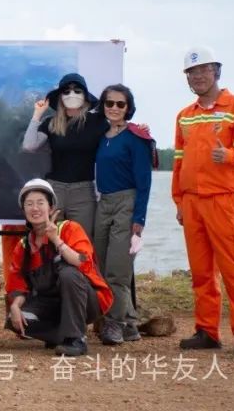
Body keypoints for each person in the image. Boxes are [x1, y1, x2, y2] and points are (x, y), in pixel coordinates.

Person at [173, 47, 234, 355]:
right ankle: (207, 331)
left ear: (216, 71)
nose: (197, 76)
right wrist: (179, 200)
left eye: (203, 70)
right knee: (201, 271)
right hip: (192, 202)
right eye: (191, 72)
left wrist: (230, 155)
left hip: (225, 199)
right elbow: (179, 161)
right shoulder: (185, 116)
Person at [6, 179, 113, 357]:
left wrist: (56, 239)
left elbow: (81, 261)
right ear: (23, 210)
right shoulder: (23, 246)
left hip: (86, 301)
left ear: (51, 207)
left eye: (40, 203)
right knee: (14, 320)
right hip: (51, 306)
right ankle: (62, 335)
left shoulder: (70, 228)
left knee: (68, 273)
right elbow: (18, 285)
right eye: (29, 204)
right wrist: (15, 307)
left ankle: (76, 338)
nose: (35, 208)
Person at [93, 85, 154, 345]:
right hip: (103, 202)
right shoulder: (101, 135)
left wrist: (139, 219)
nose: (114, 108)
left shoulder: (136, 136)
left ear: (128, 107)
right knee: (100, 265)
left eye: (120, 104)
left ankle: (114, 324)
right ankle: (129, 323)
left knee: (118, 269)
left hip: (126, 203)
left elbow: (144, 181)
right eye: (109, 103)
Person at [22, 73, 107, 242]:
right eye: (66, 91)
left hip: (83, 192)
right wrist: (37, 115)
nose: (72, 94)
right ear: (60, 96)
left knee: (82, 242)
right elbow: (29, 145)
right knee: (49, 240)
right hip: (55, 190)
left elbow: (118, 131)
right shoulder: (51, 122)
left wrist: (140, 128)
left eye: (77, 90)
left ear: (85, 95)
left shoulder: (97, 122)